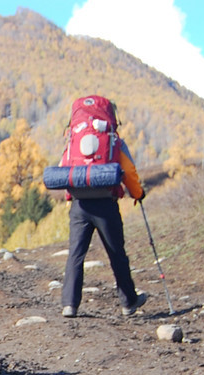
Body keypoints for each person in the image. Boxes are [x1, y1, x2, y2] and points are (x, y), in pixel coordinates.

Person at [60, 111, 147, 318]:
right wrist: (138, 194)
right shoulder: (114, 141)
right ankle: (128, 303)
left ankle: (69, 305)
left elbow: (65, 167)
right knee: (116, 253)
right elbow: (129, 171)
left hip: (79, 206)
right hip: (106, 204)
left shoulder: (74, 138)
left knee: (75, 254)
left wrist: (70, 198)